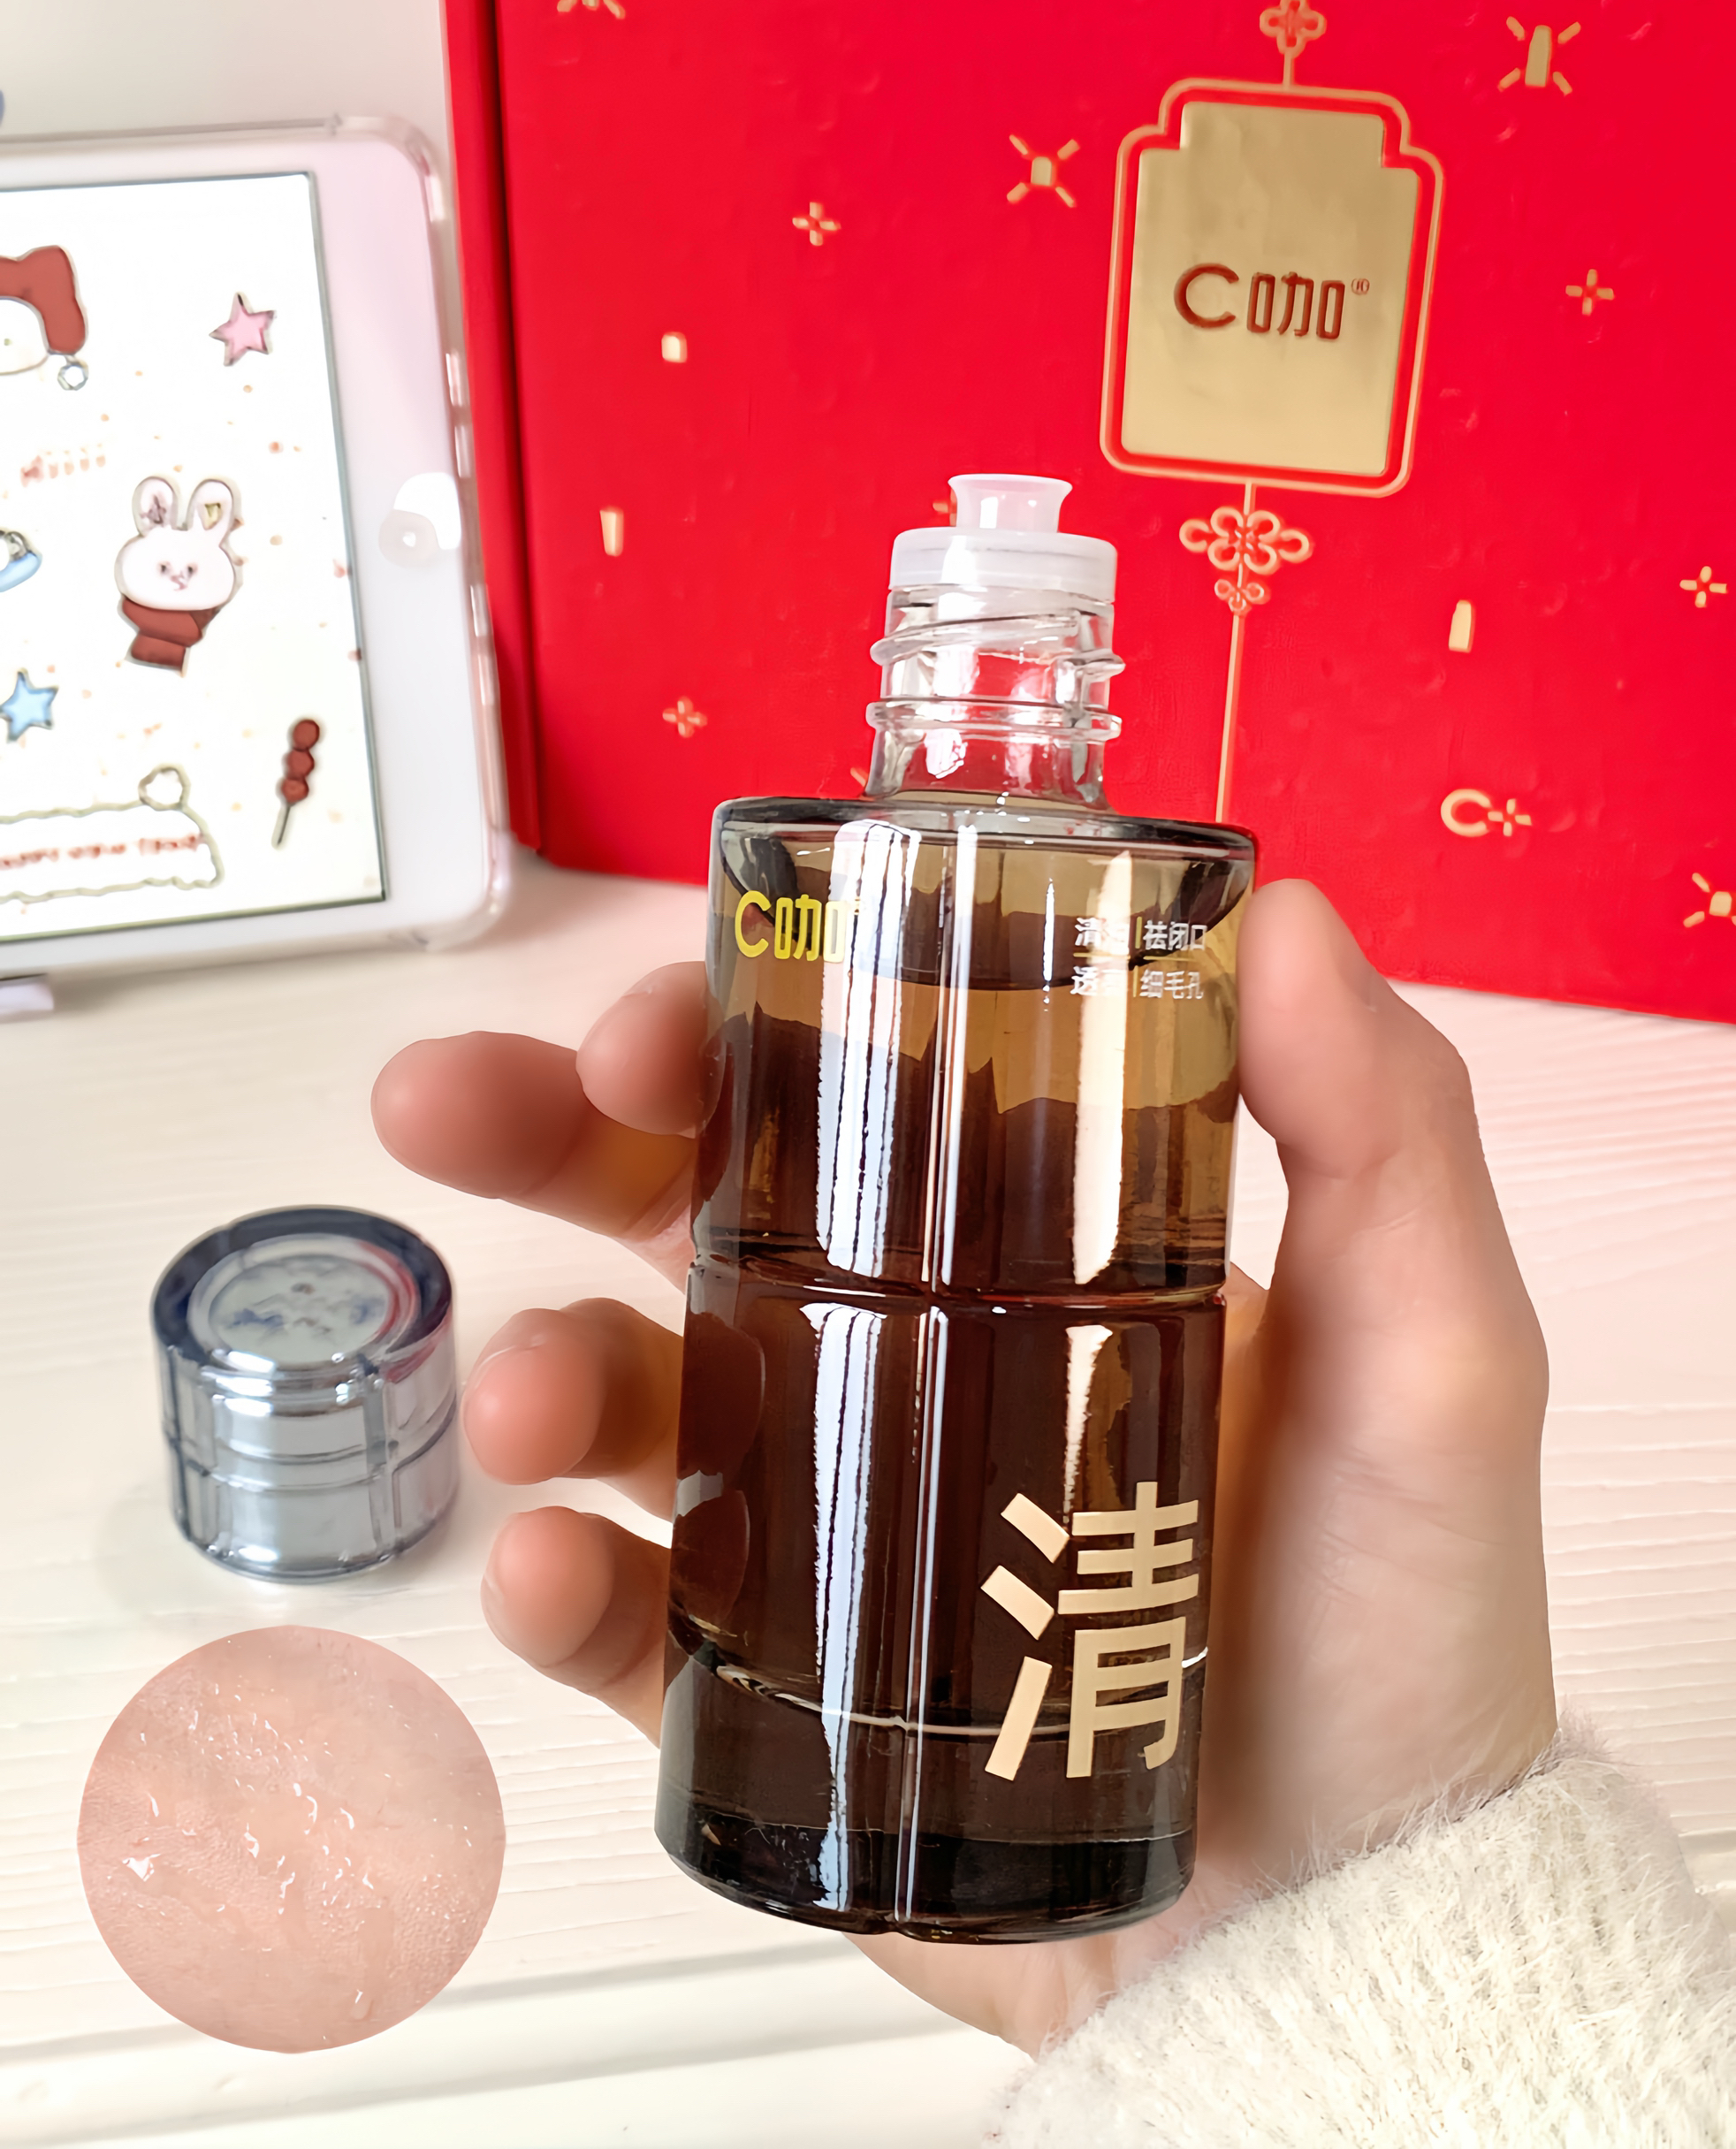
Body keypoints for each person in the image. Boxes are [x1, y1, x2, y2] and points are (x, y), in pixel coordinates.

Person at [373, 880, 1736, 2144]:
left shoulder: (1162, 913)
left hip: (1139, 1777)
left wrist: (1350, 1911)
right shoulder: (817, 886)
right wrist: (1385, 1978)